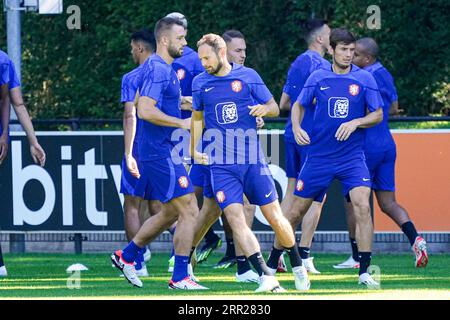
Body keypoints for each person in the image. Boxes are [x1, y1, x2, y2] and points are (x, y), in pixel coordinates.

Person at [191, 33, 310, 292]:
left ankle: (297, 264)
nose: (203, 63)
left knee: (276, 218)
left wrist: (263, 110)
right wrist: (194, 151)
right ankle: (265, 275)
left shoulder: (248, 76)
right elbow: (197, 119)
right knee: (235, 218)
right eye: (200, 58)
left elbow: (275, 107)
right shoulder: (200, 82)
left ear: (221, 54)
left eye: (207, 57)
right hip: (220, 164)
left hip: (252, 161)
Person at [111, 17, 206, 290]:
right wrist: (181, 122)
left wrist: (192, 104)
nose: (185, 43)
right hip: (159, 152)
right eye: (180, 38)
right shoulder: (159, 69)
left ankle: (126, 255)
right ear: (164, 40)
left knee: (169, 212)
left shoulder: (164, 68)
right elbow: (145, 110)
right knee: (189, 209)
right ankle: (179, 277)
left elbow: (165, 101)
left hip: (162, 151)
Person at [286, 28, 383, 287]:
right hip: (319, 156)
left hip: (352, 157)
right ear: (331, 50)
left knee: (363, 204)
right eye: (343, 49)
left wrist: (357, 122)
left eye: (352, 50)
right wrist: (296, 128)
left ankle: (364, 270)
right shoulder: (318, 76)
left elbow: (378, 114)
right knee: (296, 212)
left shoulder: (365, 79)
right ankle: (283, 260)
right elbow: (297, 104)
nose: (348, 55)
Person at [333, 37, 428, 269]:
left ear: (366, 58)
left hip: (365, 147)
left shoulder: (363, 77)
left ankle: (357, 256)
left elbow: (361, 110)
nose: (351, 57)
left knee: (354, 202)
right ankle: (416, 238)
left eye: (355, 55)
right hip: (386, 144)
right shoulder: (385, 73)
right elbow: (393, 108)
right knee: (388, 203)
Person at [165, 12, 223, 273]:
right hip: (188, 139)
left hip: (201, 138)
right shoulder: (166, 61)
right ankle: (187, 254)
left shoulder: (197, 61)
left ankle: (244, 262)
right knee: (192, 199)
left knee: (227, 204)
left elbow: (208, 96)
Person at [277, 19, 331, 274]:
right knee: (316, 198)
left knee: (291, 194)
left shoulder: (298, 62)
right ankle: (305, 254)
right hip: (313, 139)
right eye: (330, 35)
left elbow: (284, 102)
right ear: (320, 39)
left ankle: (277, 252)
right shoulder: (322, 67)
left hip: (293, 134)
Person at [0, 50, 46, 277]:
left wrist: (31, 140)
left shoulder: (3, 61)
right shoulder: (3, 60)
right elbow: (14, 102)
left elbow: (12, 101)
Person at [119, 29, 157, 277]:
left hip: (140, 149)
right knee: (167, 208)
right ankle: (184, 258)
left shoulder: (132, 77)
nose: (132, 51)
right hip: (163, 149)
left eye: (133, 47)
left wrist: (128, 152)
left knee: (132, 205)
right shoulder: (168, 74)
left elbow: (129, 114)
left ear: (140, 48)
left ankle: (136, 262)